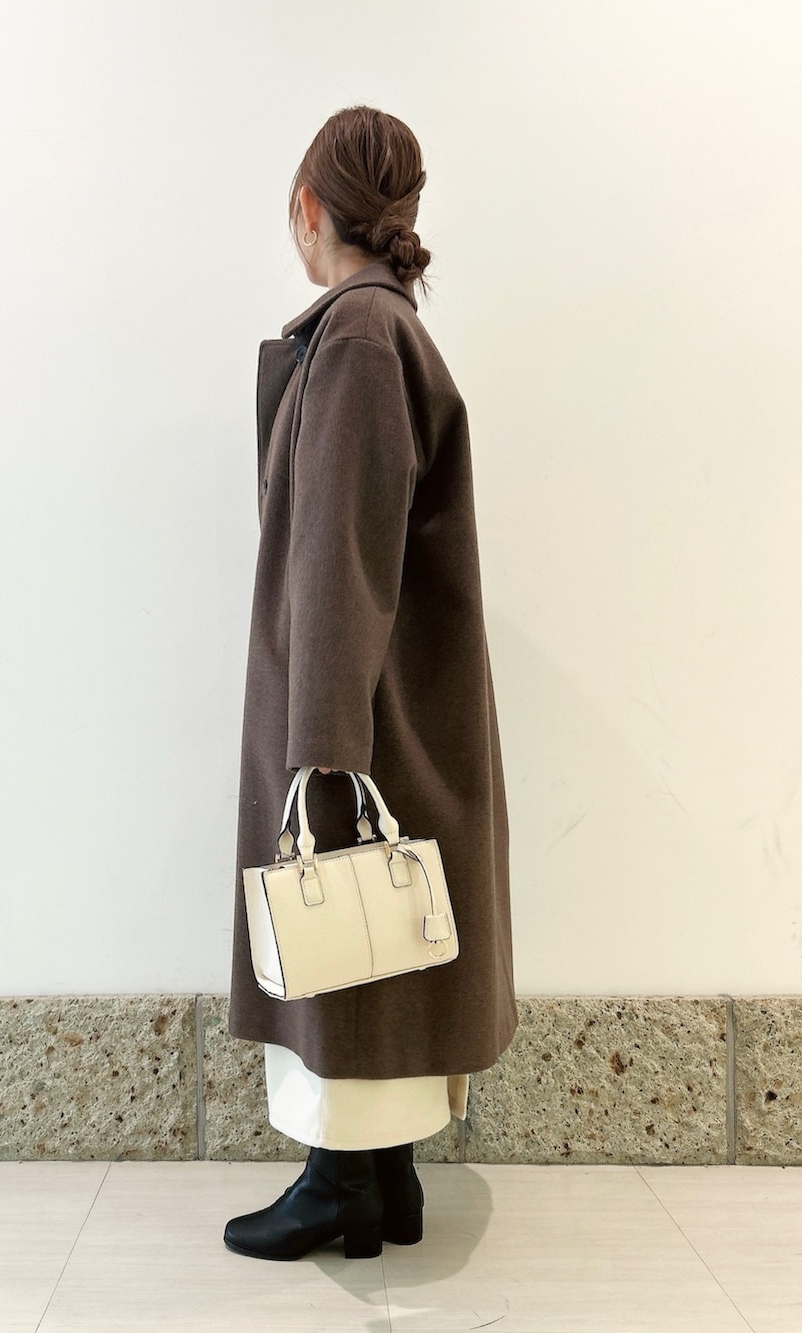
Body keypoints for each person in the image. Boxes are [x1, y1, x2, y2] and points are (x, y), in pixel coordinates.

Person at [224, 106, 518, 1261]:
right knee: (376, 944)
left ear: (309, 209)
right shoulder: (384, 329)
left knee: (342, 941)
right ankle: (385, 1179)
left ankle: (340, 1180)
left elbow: (339, 556)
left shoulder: (353, 337)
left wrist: (324, 740)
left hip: (358, 708)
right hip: (391, 700)